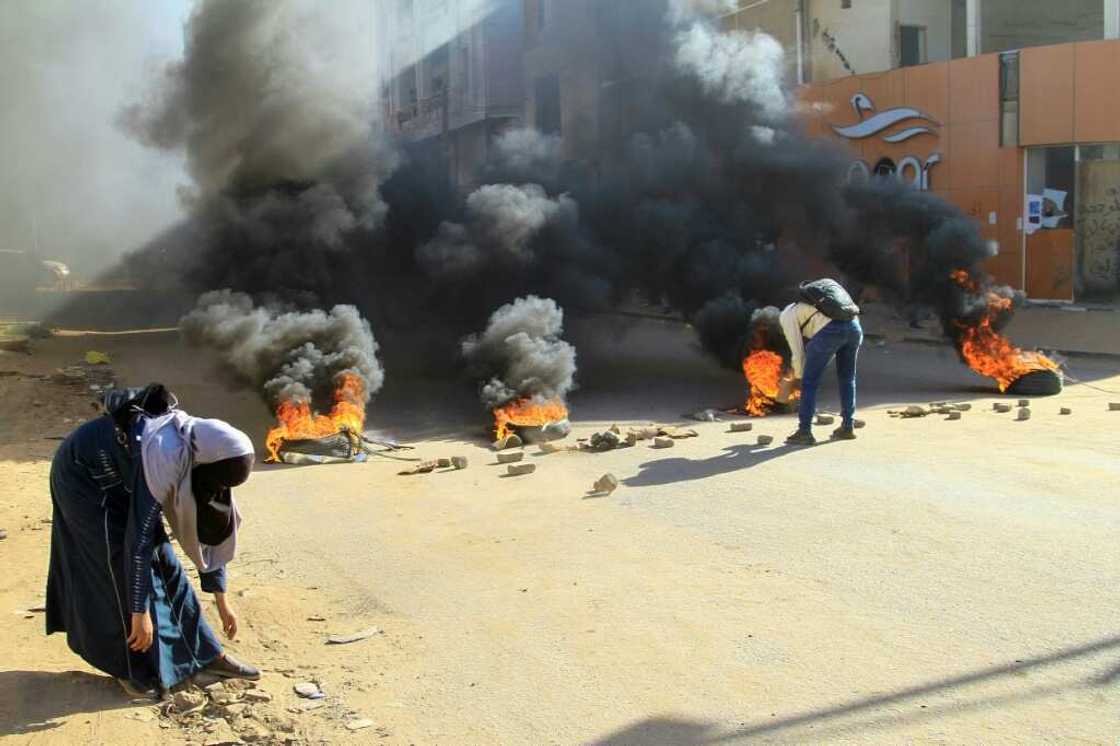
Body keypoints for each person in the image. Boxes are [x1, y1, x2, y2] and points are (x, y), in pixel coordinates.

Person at [45, 384, 260, 699]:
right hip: (84, 479)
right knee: (117, 569)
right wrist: (139, 612)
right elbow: (138, 541)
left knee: (167, 566)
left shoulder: (208, 455)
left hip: (126, 479)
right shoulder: (164, 453)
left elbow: (212, 531)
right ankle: (132, 671)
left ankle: (205, 657)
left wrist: (221, 598)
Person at [779, 279, 864, 445]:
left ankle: (804, 432)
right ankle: (847, 427)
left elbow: (797, 351)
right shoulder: (825, 302)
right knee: (847, 379)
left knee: (809, 382)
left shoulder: (786, 315)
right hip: (854, 327)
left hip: (830, 332)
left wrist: (798, 377)